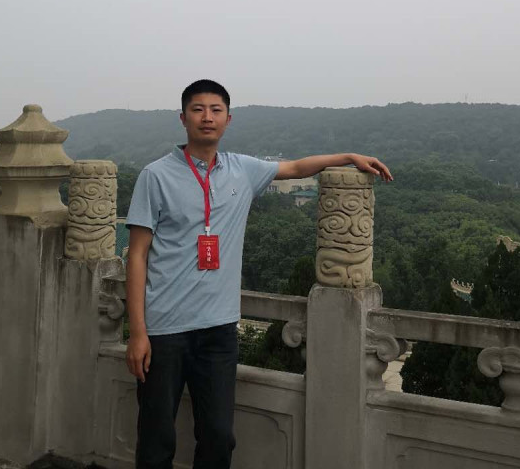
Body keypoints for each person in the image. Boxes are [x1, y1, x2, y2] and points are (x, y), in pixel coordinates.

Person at [125, 79, 392, 469]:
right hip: (164, 330)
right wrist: (138, 332)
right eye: (198, 109)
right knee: (155, 439)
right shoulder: (155, 176)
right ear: (183, 118)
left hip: (218, 331)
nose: (207, 117)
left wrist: (349, 156)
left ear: (228, 119)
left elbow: (296, 167)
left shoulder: (242, 170)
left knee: (219, 438)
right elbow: (136, 255)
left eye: (216, 110)